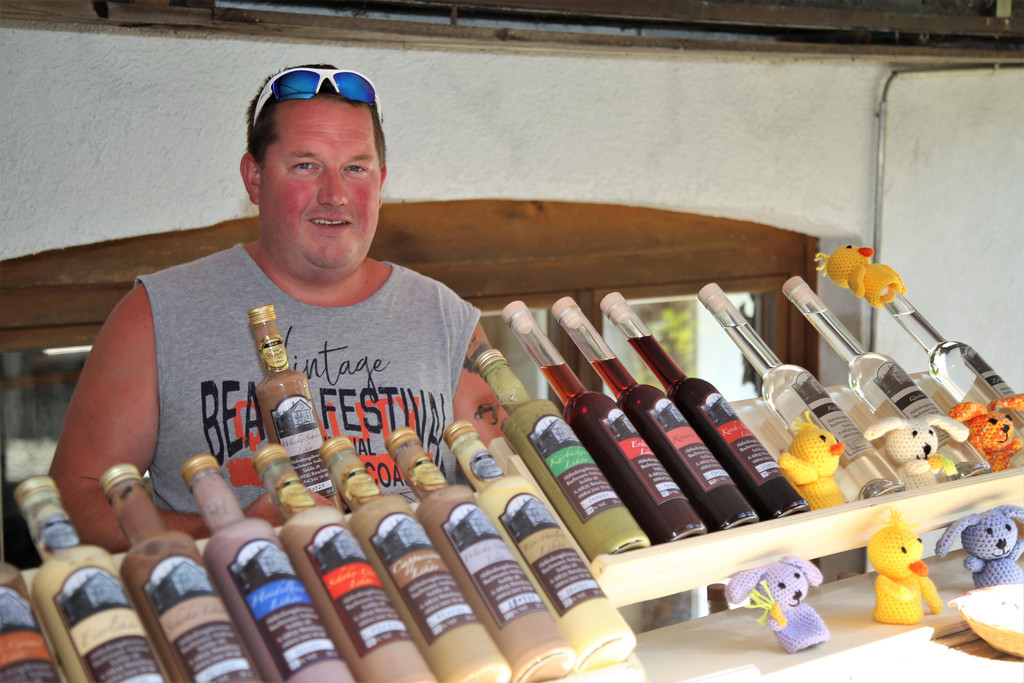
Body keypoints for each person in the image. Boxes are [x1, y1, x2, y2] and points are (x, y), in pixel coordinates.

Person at [48, 65, 506, 553]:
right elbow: (73, 501)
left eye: (356, 168)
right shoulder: (155, 314)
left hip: (427, 592)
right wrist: (227, 531)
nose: (335, 195)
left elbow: (508, 483)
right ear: (255, 178)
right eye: (306, 165)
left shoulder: (447, 320)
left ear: (381, 181)